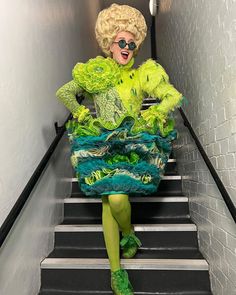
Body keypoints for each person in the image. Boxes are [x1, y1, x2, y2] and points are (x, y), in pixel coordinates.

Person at [56, 4, 183, 295]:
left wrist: (155, 114)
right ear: (109, 44)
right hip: (101, 143)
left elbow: (170, 96)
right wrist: (81, 113)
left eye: (132, 43)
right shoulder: (97, 73)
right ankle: (116, 272)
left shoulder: (142, 75)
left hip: (131, 143)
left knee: (116, 200)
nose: (127, 47)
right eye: (121, 42)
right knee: (107, 201)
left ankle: (128, 235)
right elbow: (64, 92)